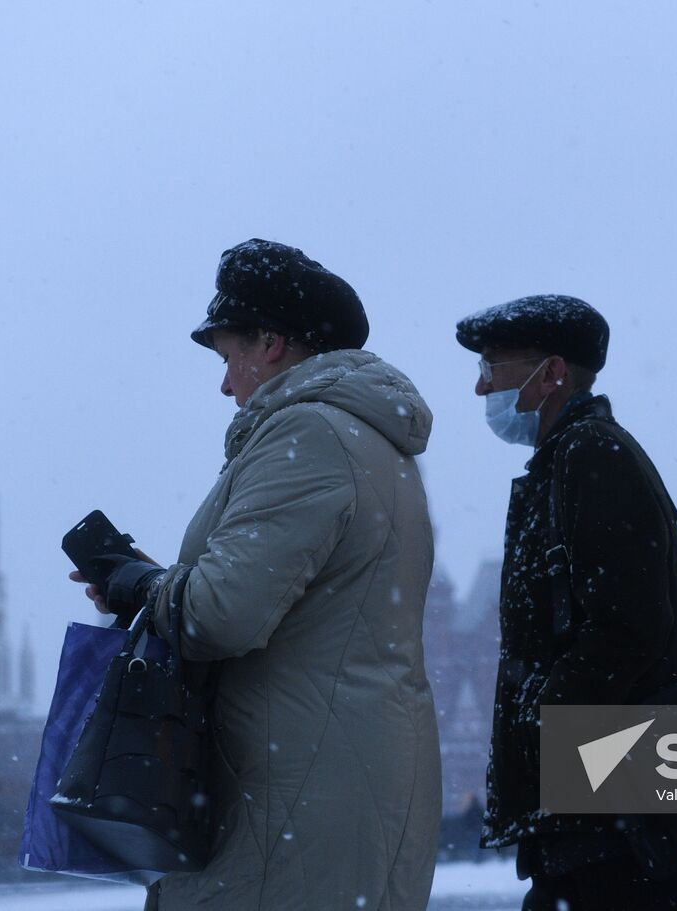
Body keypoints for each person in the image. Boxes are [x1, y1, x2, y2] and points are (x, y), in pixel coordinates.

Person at [71, 238, 441, 911]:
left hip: (289, 803)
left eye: (227, 357)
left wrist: (141, 586)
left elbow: (222, 614)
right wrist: (165, 581)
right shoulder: (368, 440)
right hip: (332, 786)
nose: (224, 383)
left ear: (270, 344)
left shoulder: (310, 437)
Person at [455, 295, 677, 911]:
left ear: (553, 372)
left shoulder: (591, 455)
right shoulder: (570, 457)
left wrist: (546, 719)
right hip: (595, 817)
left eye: (494, 366)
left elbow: (629, 626)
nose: (480, 385)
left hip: (614, 818)